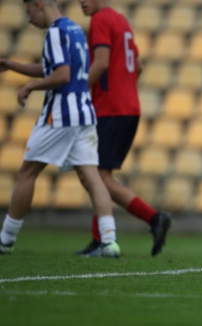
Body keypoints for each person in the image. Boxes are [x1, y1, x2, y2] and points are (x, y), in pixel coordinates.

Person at [0, 0, 120, 257]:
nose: (29, 18)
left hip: (61, 114)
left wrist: (30, 87)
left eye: (28, 11)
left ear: (38, 4)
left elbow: (62, 75)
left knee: (27, 173)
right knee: (92, 177)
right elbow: (50, 68)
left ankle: (5, 239)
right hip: (85, 112)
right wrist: (12, 65)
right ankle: (109, 241)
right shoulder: (75, 28)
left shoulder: (55, 31)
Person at [75, 0, 172, 257]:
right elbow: (137, 66)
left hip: (110, 109)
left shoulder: (100, 20)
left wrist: (77, 92)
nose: (81, 2)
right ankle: (104, 237)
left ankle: (148, 220)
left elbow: (102, 62)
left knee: (98, 177)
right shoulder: (120, 20)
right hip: (129, 107)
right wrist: (124, 88)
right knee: (99, 175)